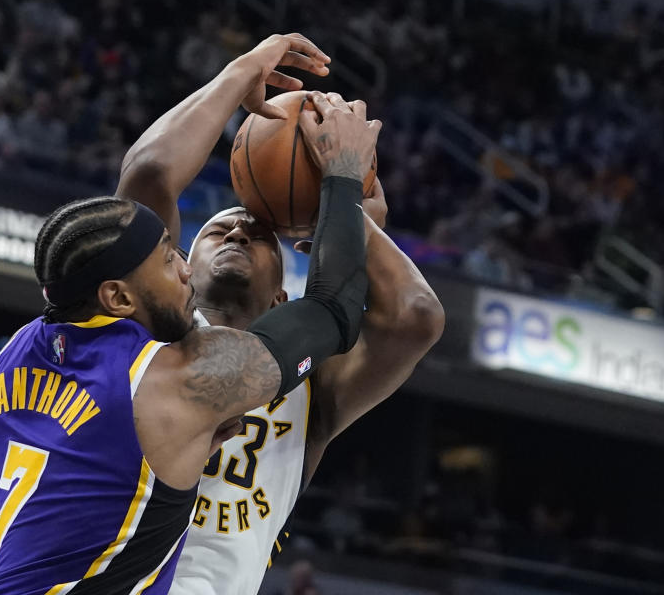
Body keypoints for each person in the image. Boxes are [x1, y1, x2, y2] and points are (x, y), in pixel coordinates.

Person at [0, 33, 380, 595]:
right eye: (168, 261)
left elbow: (151, 172)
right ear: (117, 297)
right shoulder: (180, 383)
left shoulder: (19, 352)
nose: (185, 269)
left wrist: (240, 74)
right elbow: (334, 306)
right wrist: (344, 175)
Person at [117, 44, 444, 595]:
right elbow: (150, 174)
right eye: (218, 230)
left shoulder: (314, 384)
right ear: (180, 270)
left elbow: (415, 319)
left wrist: (340, 205)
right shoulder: (145, 334)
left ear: (282, 299)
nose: (240, 232)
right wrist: (240, 72)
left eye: (260, 237)